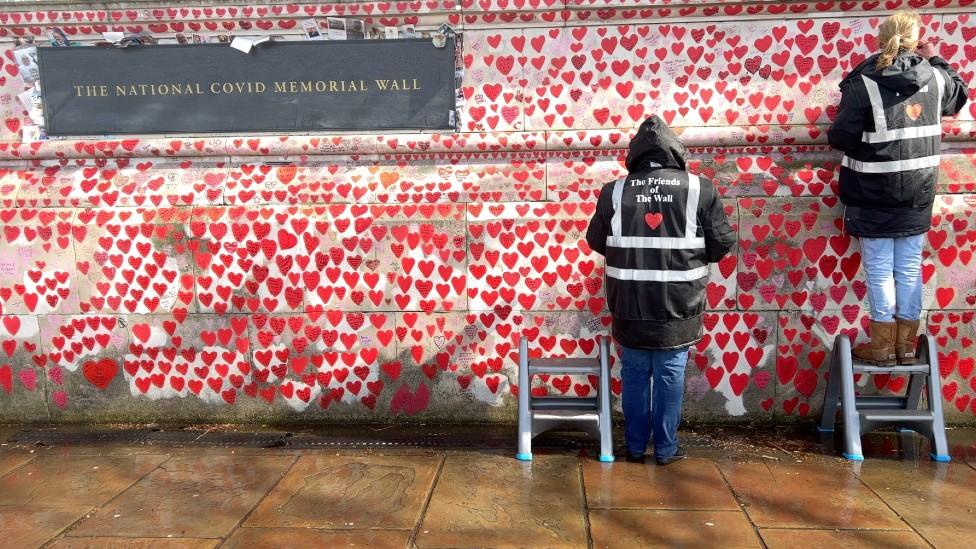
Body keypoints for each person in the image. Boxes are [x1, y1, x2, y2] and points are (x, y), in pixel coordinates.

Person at [586, 115, 735, 465]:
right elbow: (721, 242)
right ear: (676, 152)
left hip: (630, 304)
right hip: (680, 304)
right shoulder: (700, 188)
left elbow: (596, 239)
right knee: (670, 375)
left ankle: (635, 447)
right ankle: (666, 449)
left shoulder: (615, 190)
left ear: (635, 154)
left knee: (635, 375)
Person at [828, 10, 969, 366]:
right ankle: (906, 346)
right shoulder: (936, 78)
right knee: (908, 267)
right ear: (917, 40)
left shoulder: (863, 84)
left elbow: (840, 137)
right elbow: (959, 97)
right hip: (918, 193)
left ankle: (882, 347)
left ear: (880, 40)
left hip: (871, 193)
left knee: (879, 270)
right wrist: (934, 55)